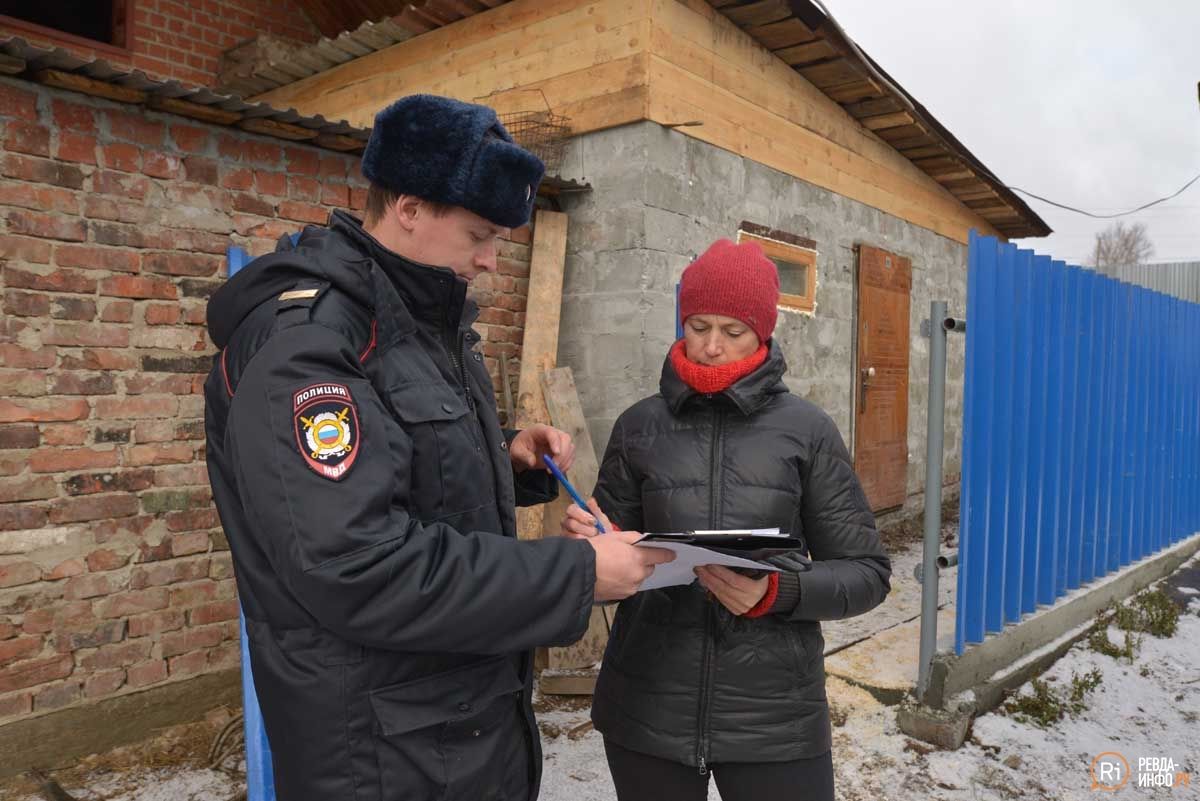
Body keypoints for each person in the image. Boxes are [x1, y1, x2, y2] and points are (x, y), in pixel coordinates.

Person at [203, 94, 672, 801]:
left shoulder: (421, 321)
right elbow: (357, 564)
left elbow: (398, 462)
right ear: (411, 207)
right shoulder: (308, 347)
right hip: (377, 752)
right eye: (478, 234)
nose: (489, 260)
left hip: (454, 728)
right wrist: (576, 573)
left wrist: (509, 453)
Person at [561, 238, 892, 801]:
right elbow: (603, 577)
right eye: (697, 325)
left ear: (762, 330)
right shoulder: (639, 426)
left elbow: (867, 573)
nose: (712, 346)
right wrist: (593, 550)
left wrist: (778, 592)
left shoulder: (806, 430)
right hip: (648, 708)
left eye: (733, 331)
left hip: (775, 719)